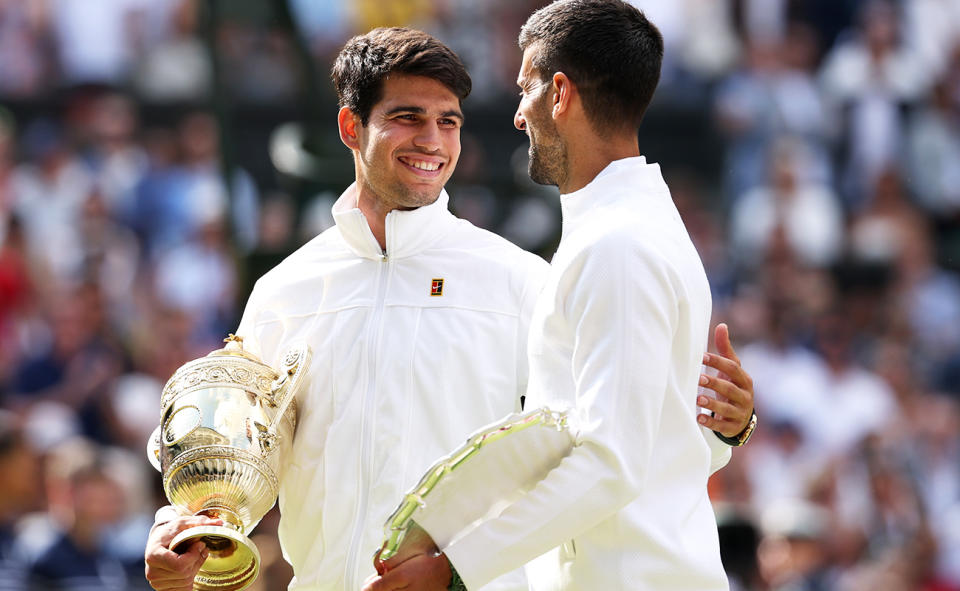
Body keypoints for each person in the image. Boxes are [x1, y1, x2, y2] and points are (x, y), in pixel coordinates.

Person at [145, 26, 754, 591]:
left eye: (449, 121)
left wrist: (725, 429)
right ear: (350, 127)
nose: (432, 142)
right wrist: (189, 530)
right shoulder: (283, 292)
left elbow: (617, 449)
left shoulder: (524, 281)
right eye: (408, 118)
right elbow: (242, 464)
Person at [364, 2, 753, 590]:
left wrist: (453, 571)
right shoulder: (638, 226)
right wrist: (723, 429)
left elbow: (611, 463)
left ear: (561, 93)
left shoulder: (616, 246)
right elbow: (657, 448)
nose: (519, 114)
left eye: (526, 88)